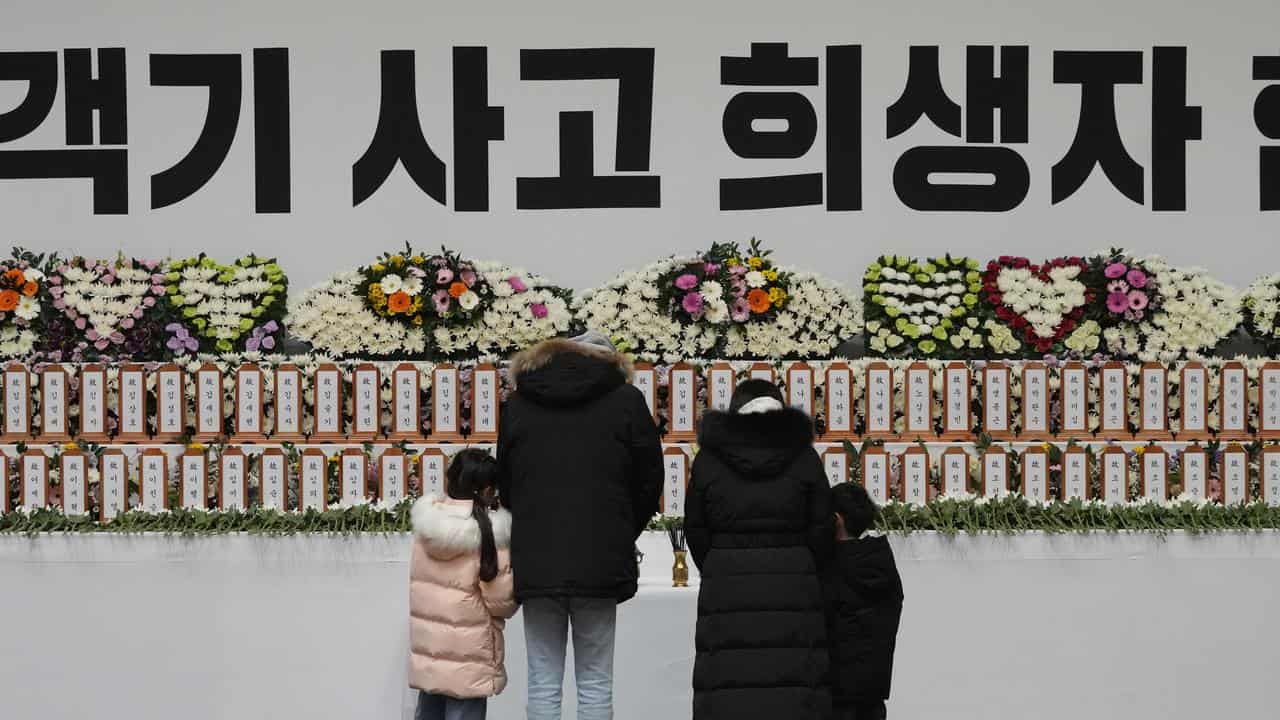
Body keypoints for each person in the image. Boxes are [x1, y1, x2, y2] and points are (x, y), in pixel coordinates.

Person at [498, 331, 664, 720]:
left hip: (537, 555)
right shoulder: (626, 400)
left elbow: (506, 481)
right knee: (594, 679)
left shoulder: (521, 401)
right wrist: (622, 529)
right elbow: (649, 478)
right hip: (601, 555)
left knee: (542, 678)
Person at [685, 379, 834, 720]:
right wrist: (804, 563)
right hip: (795, 582)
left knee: (727, 686)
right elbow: (821, 525)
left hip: (726, 582)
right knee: (796, 688)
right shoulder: (804, 457)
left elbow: (696, 526)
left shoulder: (710, 459)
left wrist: (718, 563)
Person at [408, 449, 517, 720]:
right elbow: (501, 603)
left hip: (430, 653)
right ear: (489, 490)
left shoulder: (426, 525)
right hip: (470, 658)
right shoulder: (490, 532)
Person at [824, 482, 904, 720]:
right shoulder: (881, 561)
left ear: (835, 519)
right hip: (873, 691)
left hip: (835, 694)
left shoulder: (831, 568)